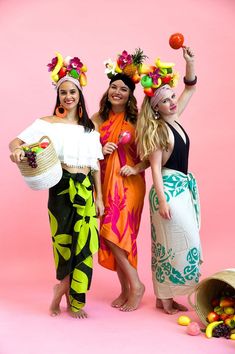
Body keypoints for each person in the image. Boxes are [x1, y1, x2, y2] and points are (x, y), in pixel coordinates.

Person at [9, 52, 104, 319]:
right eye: (63, 93)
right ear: (58, 96)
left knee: (84, 245)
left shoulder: (90, 129)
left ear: (79, 94)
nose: (68, 97)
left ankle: (75, 301)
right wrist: (17, 152)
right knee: (63, 243)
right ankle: (61, 288)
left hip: (85, 187)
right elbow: (15, 142)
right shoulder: (47, 123)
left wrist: (100, 198)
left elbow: (96, 165)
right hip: (60, 186)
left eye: (72, 91)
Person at [136, 47, 202, 314]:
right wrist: (162, 200)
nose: (173, 102)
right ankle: (164, 298)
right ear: (156, 108)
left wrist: (190, 63)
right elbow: (154, 169)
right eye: (165, 100)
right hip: (167, 190)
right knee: (168, 243)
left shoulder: (174, 119)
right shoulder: (159, 130)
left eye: (172, 97)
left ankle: (170, 296)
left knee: (186, 244)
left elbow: (190, 89)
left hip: (181, 189)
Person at [91, 49, 149, 312]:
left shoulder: (137, 121)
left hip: (129, 184)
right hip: (104, 182)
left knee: (117, 236)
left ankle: (136, 286)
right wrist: (98, 152)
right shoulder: (97, 119)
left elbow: (151, 156)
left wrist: (136, 168)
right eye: (113, 87)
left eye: (123, 89)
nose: (117, 92)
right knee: (112, 236)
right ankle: (125, 289)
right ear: (108, 91)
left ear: (130, 95)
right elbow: (85, 152)